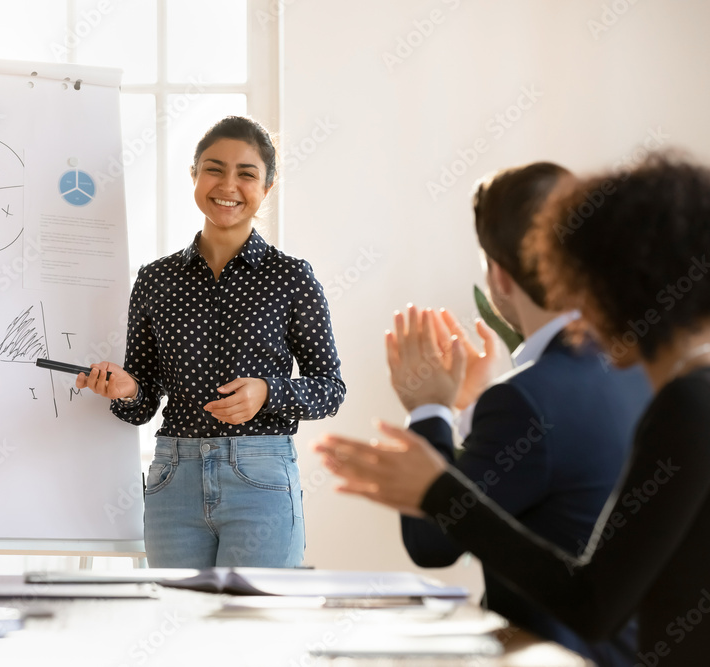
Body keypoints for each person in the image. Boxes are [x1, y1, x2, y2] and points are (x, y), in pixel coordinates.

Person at [316, 152, 710, 666]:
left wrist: (438, 491)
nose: (573, 306)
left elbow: (593, 605)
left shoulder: (688, 405)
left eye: (577, 280)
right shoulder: (686, 395)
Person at [389, 163, 650, 665]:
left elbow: (434, 543)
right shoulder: (643, 368)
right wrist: (470, 407)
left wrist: (428, 409)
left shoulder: (526, 401)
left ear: (498, 274)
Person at [76, 116, 346, 567]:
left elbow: (329, 388)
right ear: (194, 175)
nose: (229, 185)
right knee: (178, 630)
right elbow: (143, 402)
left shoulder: (291, 277)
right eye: (214, 169)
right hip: (172, 479)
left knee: (257, 628)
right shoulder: (155, 279)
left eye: (247, 174)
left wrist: (268, 392)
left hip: (260, 477)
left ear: (268, 185)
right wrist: (126, 389)